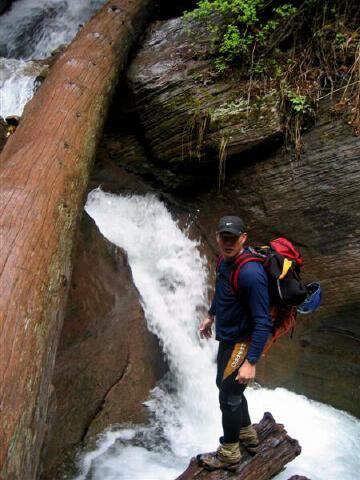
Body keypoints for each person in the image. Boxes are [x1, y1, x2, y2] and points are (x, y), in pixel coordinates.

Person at [198, 215, 273, 471]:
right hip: (228, 337)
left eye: (233, 238)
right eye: (224, 237)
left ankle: (229, 453)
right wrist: (210, 315)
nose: (228, 242)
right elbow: (222, 291)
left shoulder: (251, 273)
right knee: (226, 385)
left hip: (243, 341)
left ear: (244, 238)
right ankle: (248, 435)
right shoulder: (224, 260)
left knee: (228, 396)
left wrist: (251, 362)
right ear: (218, 237)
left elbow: (264, 322)